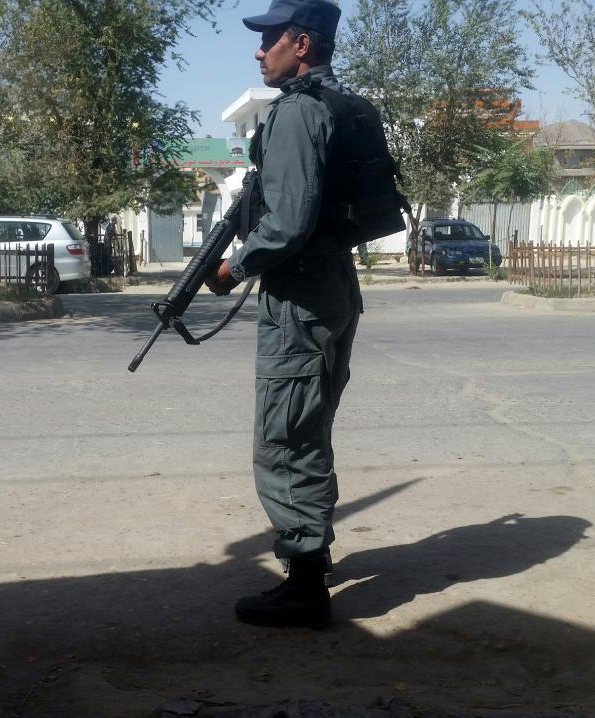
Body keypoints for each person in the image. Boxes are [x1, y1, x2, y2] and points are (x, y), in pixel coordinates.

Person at [204, 0, 363, 630]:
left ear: (301, 44)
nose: (257, 50)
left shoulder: (298, 113)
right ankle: (311, 562)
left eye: (268, 38)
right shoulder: (338, 105)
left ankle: (303, 587)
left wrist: (235, 268)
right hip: (332, 291)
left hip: (300, 299)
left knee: (285, 437)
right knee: (307, 429)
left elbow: (289, 220)